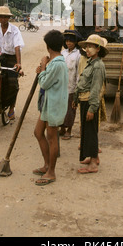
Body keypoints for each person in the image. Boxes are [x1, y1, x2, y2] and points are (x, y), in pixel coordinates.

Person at [33, 30, 68, 185]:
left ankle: (51, 172)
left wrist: (42, 68)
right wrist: (43, 69)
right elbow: (45, 77)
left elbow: (45, 83)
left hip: (54, 106)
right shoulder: (54, 63)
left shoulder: (57, 64)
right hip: (48, 104)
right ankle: (47, 165)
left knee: (52, 138)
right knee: (38, 132)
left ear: (48, 47)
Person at [73, 34, 107, 174]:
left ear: (98, 49)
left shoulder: (98, 66)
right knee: (87, 132)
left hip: (90, 102)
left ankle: (93, 164)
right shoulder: (90, 63)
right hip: (84, 100)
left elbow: (96, 89)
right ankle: (94, 157)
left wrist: (92, 109)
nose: (87, 49)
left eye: (91, 46)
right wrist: (76, 99)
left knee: (91, 132)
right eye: (86, 46)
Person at [0, 6, 24, 120]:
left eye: (5, 17)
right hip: (2, 57)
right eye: (0, 17)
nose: (3, 19)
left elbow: (17, 46)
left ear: (8, 18)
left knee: (12, 83)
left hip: (12, 57)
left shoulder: (14, 30)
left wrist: (18, 63)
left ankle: (12, 107)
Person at [59, 30, 82, 140]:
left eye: (71, 41)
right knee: (61, 108)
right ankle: (62, 128)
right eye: (67, 41)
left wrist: (77, 87)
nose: (68, 43)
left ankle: (69, 130)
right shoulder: (63, 53)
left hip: (72, 86)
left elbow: (78, 72)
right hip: (61, 86)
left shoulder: (78, 55)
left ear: (75, 42)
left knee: (70, 109)